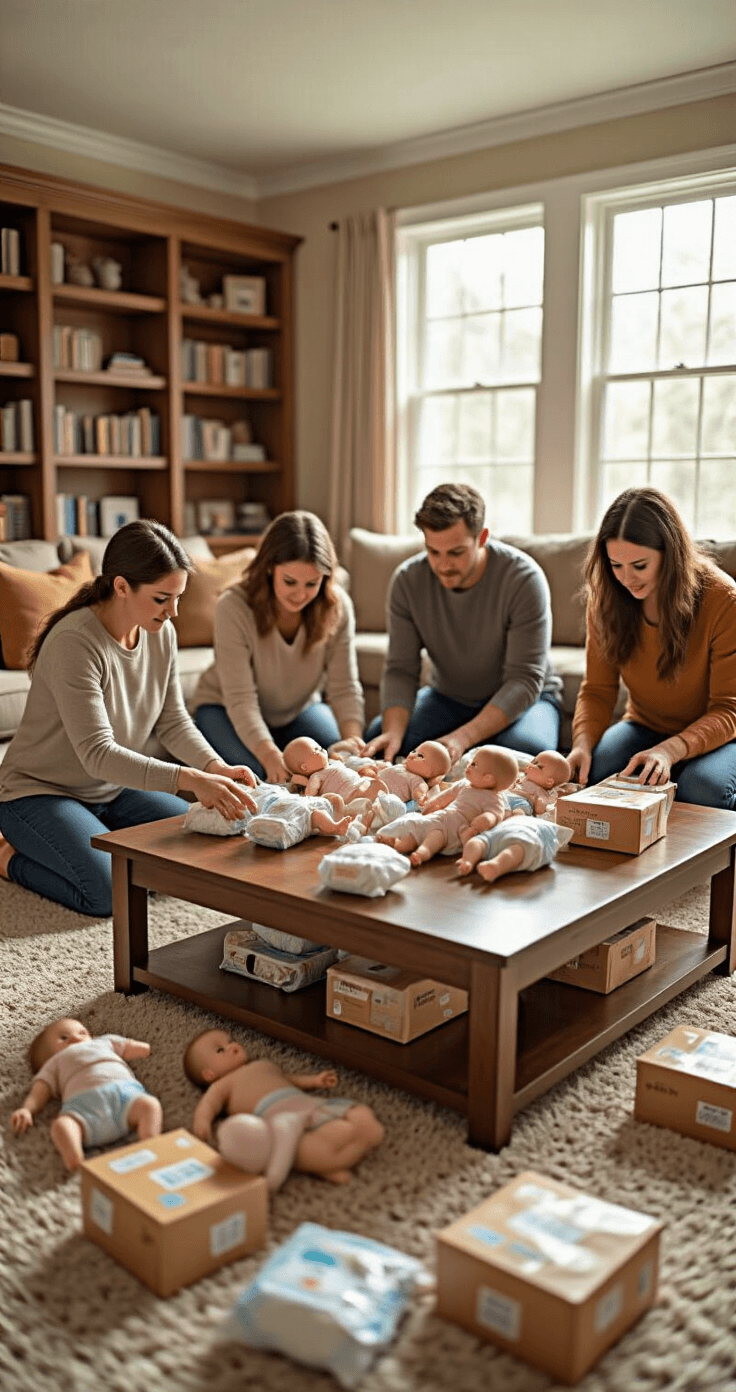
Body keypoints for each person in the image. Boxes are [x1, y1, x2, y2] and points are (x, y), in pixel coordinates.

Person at [0, 521, 256, 916]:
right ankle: (8, 858)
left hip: (112, 789)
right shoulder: (75, 643)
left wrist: (214, 766)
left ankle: (97, 838)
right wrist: (189, 779)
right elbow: (97, 754)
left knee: (207, 847)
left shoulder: (161, 632)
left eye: (178, 598)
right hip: (38, 793)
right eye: (161, 599)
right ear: (121, 587)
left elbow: (172, 720)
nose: (173, 612)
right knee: (110, 893)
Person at [364, 483, 562, 766]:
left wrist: (461, 738)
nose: (443, 565)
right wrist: (393, 733)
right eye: (433, 552)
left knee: (518, 757)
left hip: (529, 699)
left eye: (455, 553)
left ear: (482, 538)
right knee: (382, 741)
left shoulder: (524, 579)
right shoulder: (407, 581)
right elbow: (401, 669)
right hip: (448, 698)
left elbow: (524, 680)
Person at [567, 486, 736, 810]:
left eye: (640, 565)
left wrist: (672, 750)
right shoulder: (606, 598)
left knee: (701, 789)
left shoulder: (723, 600)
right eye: (616, 565)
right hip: (646, 725)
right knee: (597, 773)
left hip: (725, 735)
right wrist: (581, 745)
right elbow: (598, 691)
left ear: (670, 554)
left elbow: (729, 709)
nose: (626, 579)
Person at [192, 511, 365, 785]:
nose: (300, 594)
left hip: (298, 710)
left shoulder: (338, 607)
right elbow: (241, 699)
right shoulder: (234, 606)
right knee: (257, 778)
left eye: (312, 583)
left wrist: (354, 747)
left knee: (333, 768)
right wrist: (270, 755)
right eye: (290, 582)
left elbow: (344, 688)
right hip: (223, 708)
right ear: (270, 567)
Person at [184, 1028, 385, 1189]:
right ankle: (325, 1161)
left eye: (230, 1041)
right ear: (209, 1074)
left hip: (309, 1103)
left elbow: (288, 1079)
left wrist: (315, 1080)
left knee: (361, 1114)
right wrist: (202, 1122)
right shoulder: (222, 1084)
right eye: (221, 1050)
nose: (233, 1046)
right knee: (314, 1141)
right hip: (279, 1115)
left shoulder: (262, 1065)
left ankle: (341, 1151)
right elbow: (208, 1105)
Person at [10, 1017, 162, 1172]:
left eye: (82, 1032)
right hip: (83, 1110)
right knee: (62, 1125)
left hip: (126, 1097)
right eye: (64, 1038)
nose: (76, 1037)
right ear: (47, 1056)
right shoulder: (54, 1063)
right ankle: (74, 1157)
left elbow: (128, 1046)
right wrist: (27, 1109)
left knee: (149, 1105)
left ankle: (150, 1141)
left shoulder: (104, 1042)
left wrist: (146, 1049)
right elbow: (39, 1092)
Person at [376, 745, 519, 866]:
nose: (469, 765)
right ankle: (397, 844)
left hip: (455, 828)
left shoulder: (494, 799)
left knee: (434, 838)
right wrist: (430, 807)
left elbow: (495, 815)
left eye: (474, 765)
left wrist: (484, 821)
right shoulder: (464, 784)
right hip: (442, 816)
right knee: (418, 829)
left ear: (488, 778)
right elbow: (445, 797)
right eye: (472, 761)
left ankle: (421, 854)